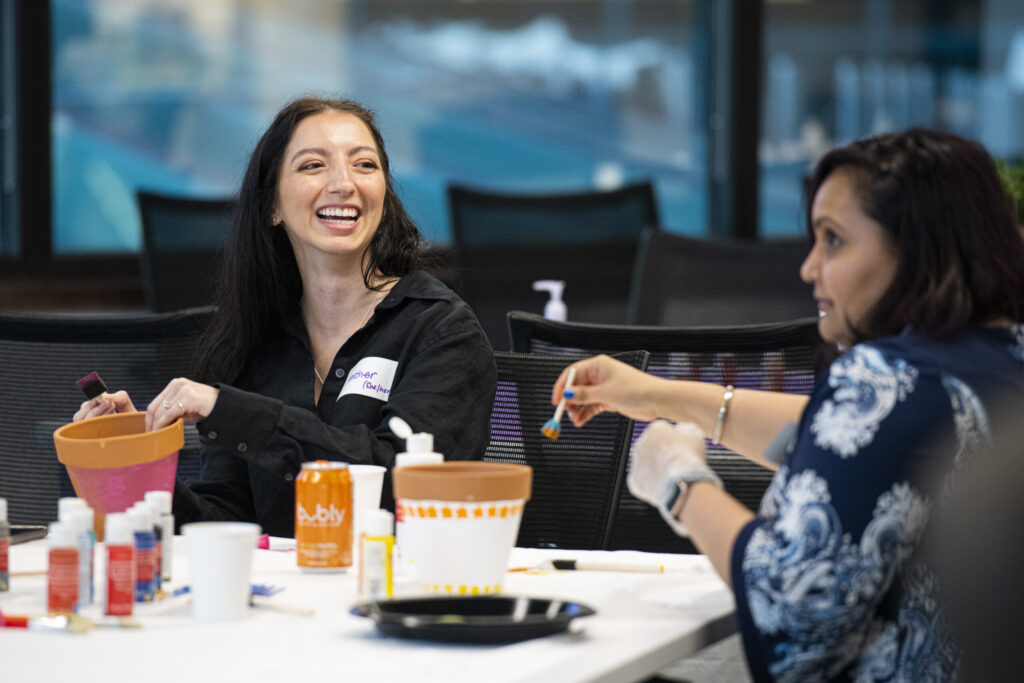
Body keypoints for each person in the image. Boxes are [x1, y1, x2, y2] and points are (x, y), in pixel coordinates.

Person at [552, 128, 1024, 681]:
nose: (809, 268)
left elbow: (788, 610)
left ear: (917, 250)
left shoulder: (890, 379)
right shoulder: (994, 358)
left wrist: (679, 483)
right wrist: (653, 393)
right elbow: (844, 442)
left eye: (834, 240)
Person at [75, 96, 497, 537]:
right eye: (313, 165)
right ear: (273, 206)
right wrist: (135, 467)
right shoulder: (252, 340)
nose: (343, 183)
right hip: (282, 602)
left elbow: (397, 483)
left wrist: (233, 413)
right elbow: (227, 523)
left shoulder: (441, 330)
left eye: (365, 165)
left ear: (384, 196)